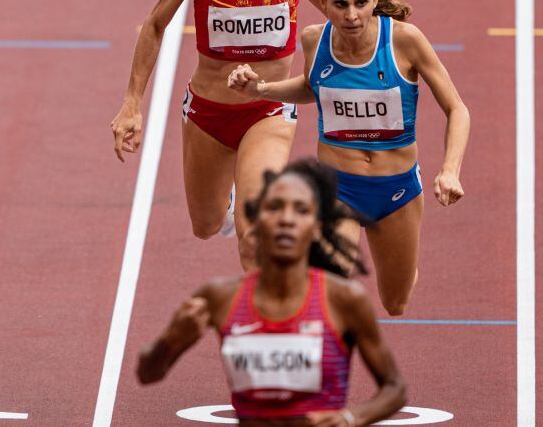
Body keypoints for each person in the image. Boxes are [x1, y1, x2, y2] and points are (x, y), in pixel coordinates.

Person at [111, 0, 323, 270]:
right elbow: (154, 25)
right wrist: (132, 103)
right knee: (206, 225)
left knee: (253, 234)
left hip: (269, 110)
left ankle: (263, 330)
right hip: (208, 114)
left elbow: (337, 6)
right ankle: (226, 205)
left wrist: (387, 32)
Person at [227, 0, 470, 316]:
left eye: (361, 3)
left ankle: (401, 263)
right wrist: (261, 89)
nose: (351, 15)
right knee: (329, 285)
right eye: (340, 4)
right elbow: (313, 88)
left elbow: (457, 109)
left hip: (396, 189)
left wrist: (450, 169)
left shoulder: (405, 42)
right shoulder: (315, 40)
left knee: (395, 302)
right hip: (338, 188)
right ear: (323, 1)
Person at [137, 159, 406, 426]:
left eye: (301, 210)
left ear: (316, 228)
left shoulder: (344, 299)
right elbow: (147, 373)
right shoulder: (220, 297)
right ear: (255, 221)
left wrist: (351, 418)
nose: (287, 219)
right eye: (275, 208)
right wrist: (169, 341)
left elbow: (395, 388)